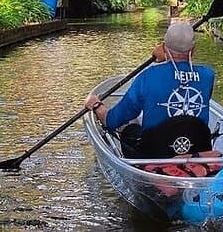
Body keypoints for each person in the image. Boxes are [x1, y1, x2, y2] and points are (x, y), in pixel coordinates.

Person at [85, 20, 215, 158]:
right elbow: (180, 74)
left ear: (164, 47)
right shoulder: (208, 75)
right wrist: (167, 57)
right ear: (193, 49)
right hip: (197, 149)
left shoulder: (148, 77)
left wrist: (97, 105)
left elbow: (112, 120)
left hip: (154, 153)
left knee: (128, 126)